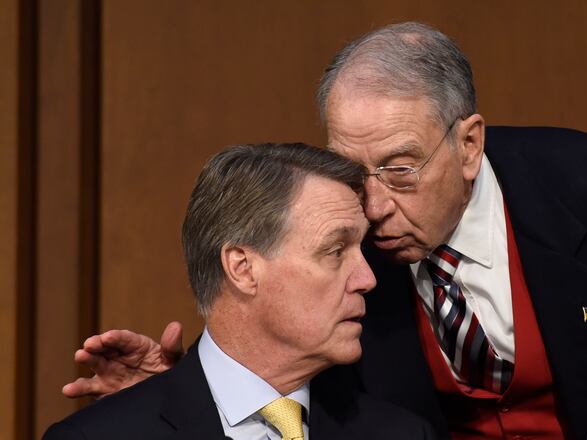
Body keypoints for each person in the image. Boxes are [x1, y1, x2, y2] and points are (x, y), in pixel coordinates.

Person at [63, 23, 587, 439]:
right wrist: (179, 395)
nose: (372, 205)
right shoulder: (347, 253)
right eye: (352, 171)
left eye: (401, 169)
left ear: (469, 144)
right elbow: (278, 362)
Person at [46, 143, 436, 439]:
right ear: (242, 268)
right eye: (335, 251)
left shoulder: (401, 432)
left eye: (361, 249)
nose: (367, 278)